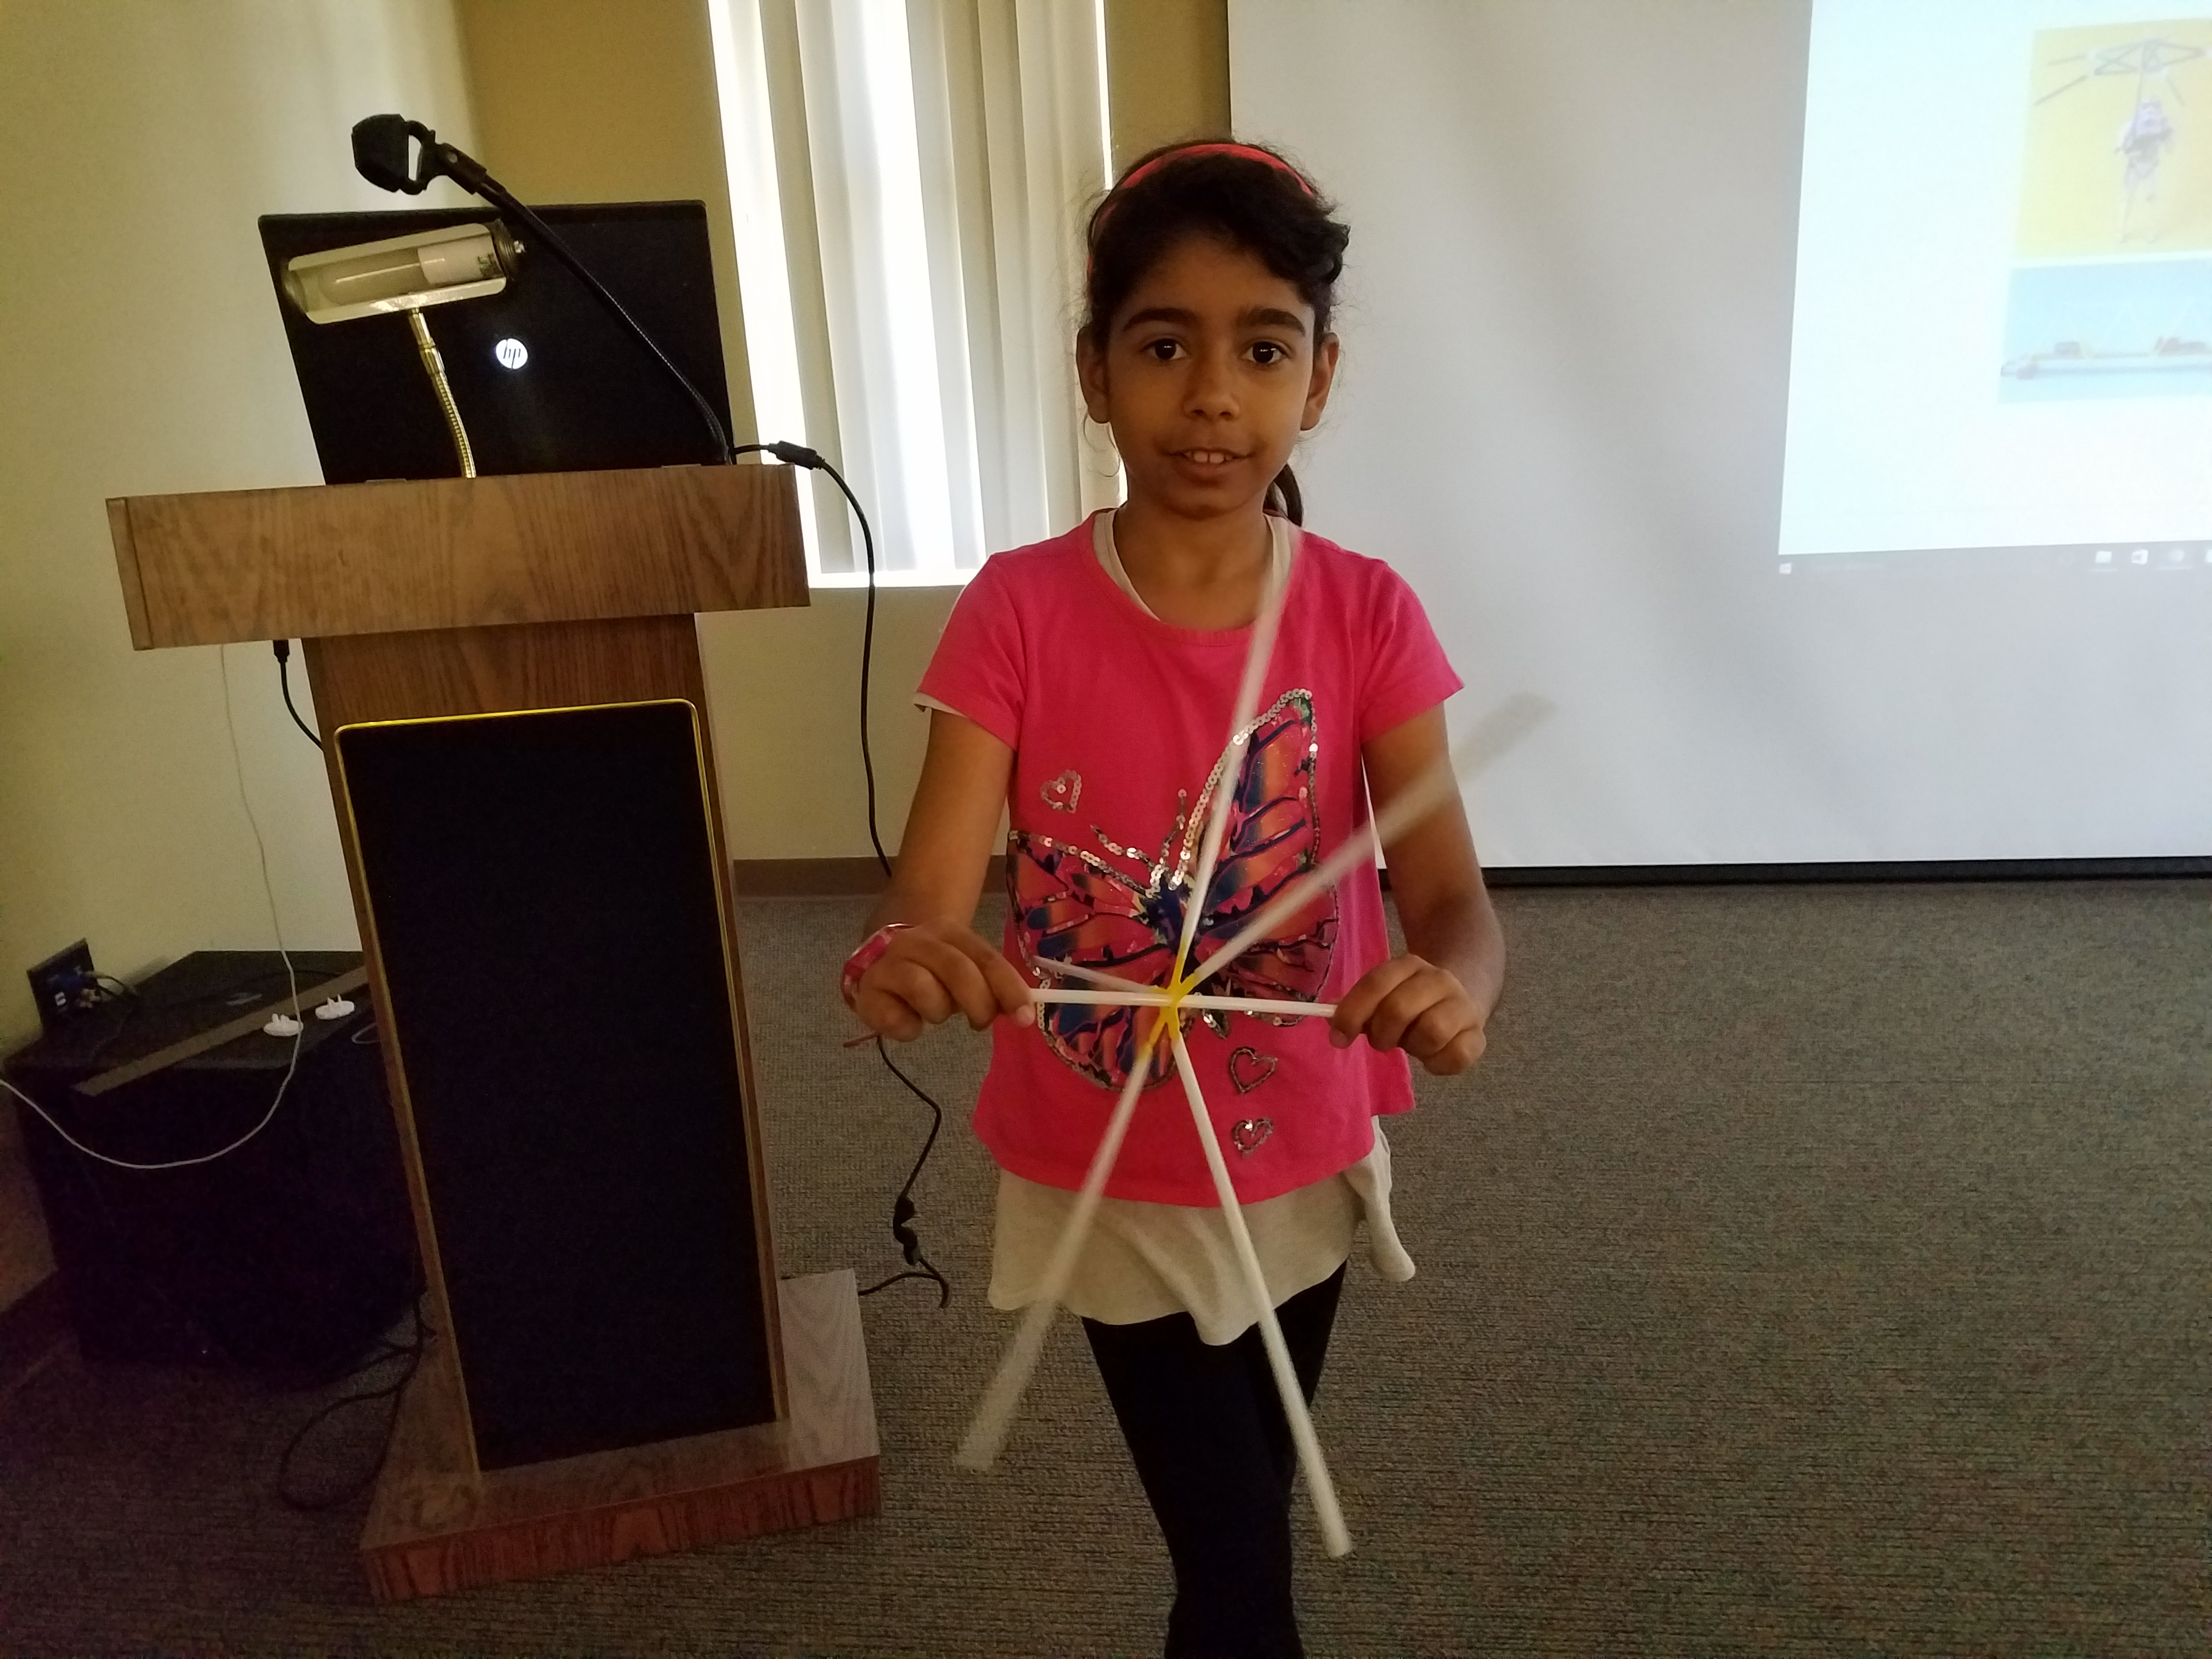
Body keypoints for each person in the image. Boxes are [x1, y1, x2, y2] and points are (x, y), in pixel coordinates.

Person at [840, 139, 1506, 1658]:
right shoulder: (1017, 608)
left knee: (1250, 1501)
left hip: (1300, 1139)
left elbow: (1454, 897)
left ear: (1318, 379)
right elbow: (929, 894)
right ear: (1095, 372)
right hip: (1108, 1158)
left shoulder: (1366, 611)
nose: (1213, 395)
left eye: (1262, 350)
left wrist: (1456, 984)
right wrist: (910, 955)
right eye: (1163, 347)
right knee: (1232, 1557)